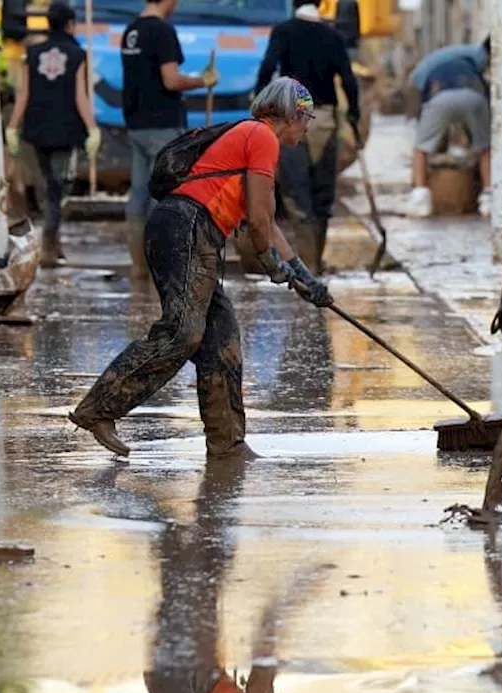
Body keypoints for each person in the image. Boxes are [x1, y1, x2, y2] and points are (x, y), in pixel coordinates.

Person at [68, 78, 332, 460]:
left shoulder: (252, 137)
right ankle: (99, 408)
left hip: (193, 233)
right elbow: (259, 224)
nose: (307, 127)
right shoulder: (261, 137)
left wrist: (305, 278)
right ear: (290, 114)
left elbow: (269, 224)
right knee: (183, 333)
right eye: (306, 118)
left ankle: (228, 445)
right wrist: (276, 267)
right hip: (186, 228)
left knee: (220, 343)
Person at [255, 0, 360, 274]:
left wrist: (260, 104)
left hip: (291, 119)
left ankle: (307, 266)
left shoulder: (284, 31)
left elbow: (267, 69)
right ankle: (316, 265)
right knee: (322, 196)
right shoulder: (333, 35)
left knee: (296, 195)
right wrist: (354, 115)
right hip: (324, 119)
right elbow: (348, 79)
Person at [121, 0, 220, 280]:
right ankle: (160, 265)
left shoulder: (132, 30)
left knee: (139, 193)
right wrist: (203, 81)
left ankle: (139, 266)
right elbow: (171, 80)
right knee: (163, 197)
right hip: (162, 124)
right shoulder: (162, 31)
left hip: (136, 124)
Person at [5, 2, 101, 268]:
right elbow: (80, 96)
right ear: (70, 24)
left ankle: (52, 240)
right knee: (59, 188)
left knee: (48, 184)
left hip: (36, 128)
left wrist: (13, 126)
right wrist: (92, 128)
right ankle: (49, 242)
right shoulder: (77, 54)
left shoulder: (32, 53)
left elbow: (23, 94)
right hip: (66, 129)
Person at [404, 38, 491, 219]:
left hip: (439, 98)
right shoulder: (476, 57)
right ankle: (488, 197)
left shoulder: (428, 68)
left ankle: (421, 197)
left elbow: (421, 98)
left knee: (420, 149)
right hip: (474, 97)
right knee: (485, 148)